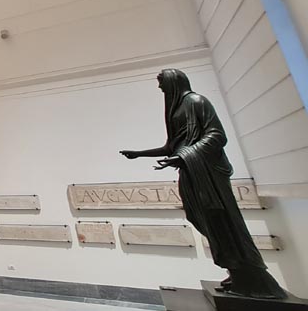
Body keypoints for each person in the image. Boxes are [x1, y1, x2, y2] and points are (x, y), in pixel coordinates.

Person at [120, 69, 287, 299]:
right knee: (204, 221)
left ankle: (254, 279)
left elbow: (217, 136)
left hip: (207, 175)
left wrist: (185, 156)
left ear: (172, 82)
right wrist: (139, 154)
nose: (160, 88)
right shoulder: (176, 109)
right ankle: (236, 272)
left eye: (162, 84)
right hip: (191, 173)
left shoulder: (196, 101)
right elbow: (172, 147)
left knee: (222, 221)